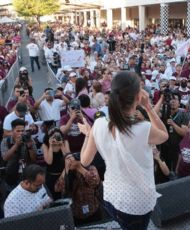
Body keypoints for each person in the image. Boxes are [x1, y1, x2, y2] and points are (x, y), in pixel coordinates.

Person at [77, 71, 168, 230]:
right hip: (137, 204)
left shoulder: (98, 124)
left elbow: (84, 161)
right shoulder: (143, 129)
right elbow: (164, 135)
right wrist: (148, 107)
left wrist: (89, 134)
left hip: (111, 197)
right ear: (138, 97)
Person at [55, 152, 102, 225]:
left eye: (72, 158)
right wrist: (66, 169)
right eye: (68, 160)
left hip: (93, 210)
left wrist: (79, 167)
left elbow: (94, 183)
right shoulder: (66, 173)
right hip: (76, 213)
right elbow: (57, 188)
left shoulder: (91, 168)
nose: (71, 161)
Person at [0, 119, 37, 190]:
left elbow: (34, 159)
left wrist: (30, 147)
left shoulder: (29, 139)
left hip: (27, 175)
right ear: (12, 131)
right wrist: (16, 145)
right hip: (12, 174)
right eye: (18, 131)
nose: (21, 133)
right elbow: (5, 158)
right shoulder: (5, 141)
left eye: (22, 131)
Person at [41, 127, 70, 200]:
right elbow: (49, 162)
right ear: (49, 137)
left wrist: (61, 146)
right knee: (55, 198)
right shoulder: (45, 145)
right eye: (54, 137)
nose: (56, 138)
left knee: (67, 196)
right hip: (51, 176)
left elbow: (68, 159)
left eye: (58, 136)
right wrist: (51, 146)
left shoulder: (65, 142)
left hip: (64, 174)